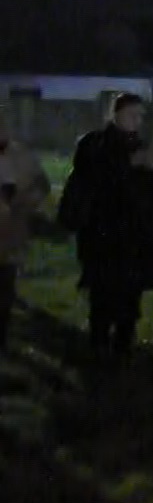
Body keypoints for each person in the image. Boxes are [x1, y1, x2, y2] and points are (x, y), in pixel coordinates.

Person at [58, 93, 153, 359]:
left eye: (140, 116)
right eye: (131, 115)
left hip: (135, 234)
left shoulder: (142, 146)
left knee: (130, 296)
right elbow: (94, 181)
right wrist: (130, 165)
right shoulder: (95, 144)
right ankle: (99, 344)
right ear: (115, 115)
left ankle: (124, 345)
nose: (137, 121)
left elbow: (151, 191)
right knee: (103, 293)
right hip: (103, 233)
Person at [0, 113, 52, 349]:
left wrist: (31, 199)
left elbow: (42, 183)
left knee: (5, 284)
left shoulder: (21, 155)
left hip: (12, 232)